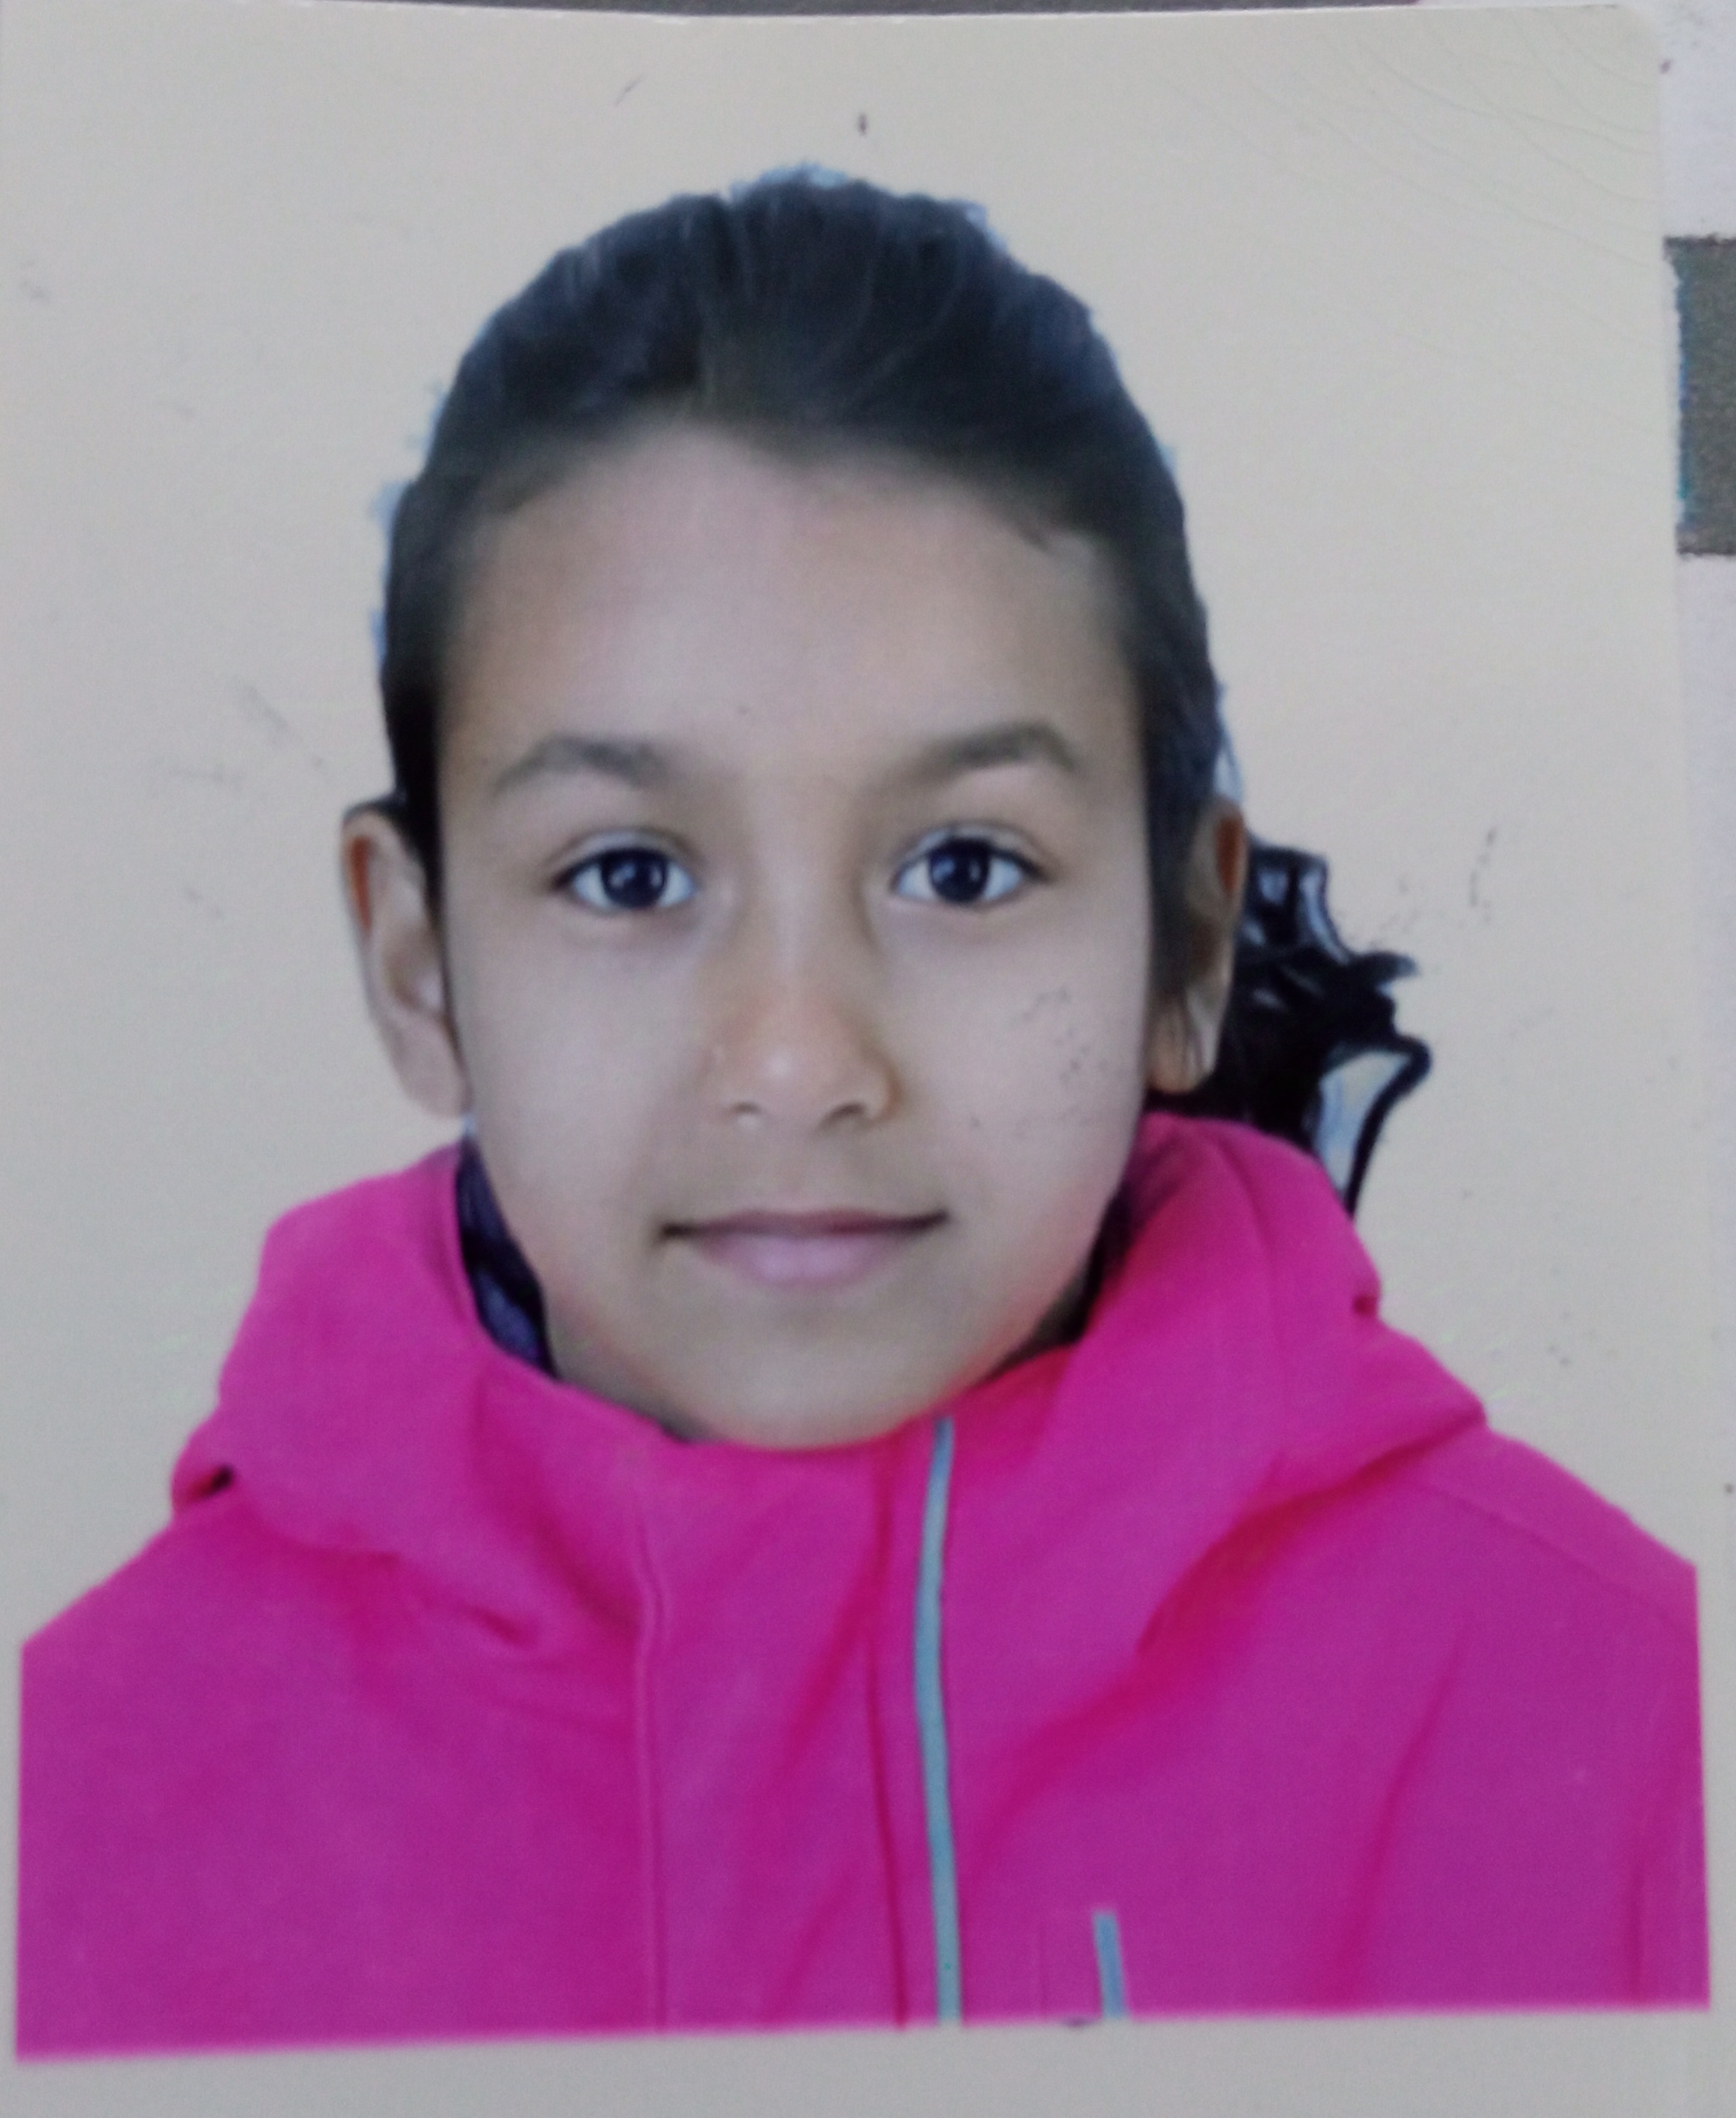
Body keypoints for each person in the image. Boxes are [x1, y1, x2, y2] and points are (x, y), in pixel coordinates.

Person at [16, 175, 1705, 2055]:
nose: (800, 1057)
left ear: (1184, 945)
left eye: (964, 866)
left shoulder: (1631, 1720)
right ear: (418, 965)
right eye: (630, 874)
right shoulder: (76, 1782)